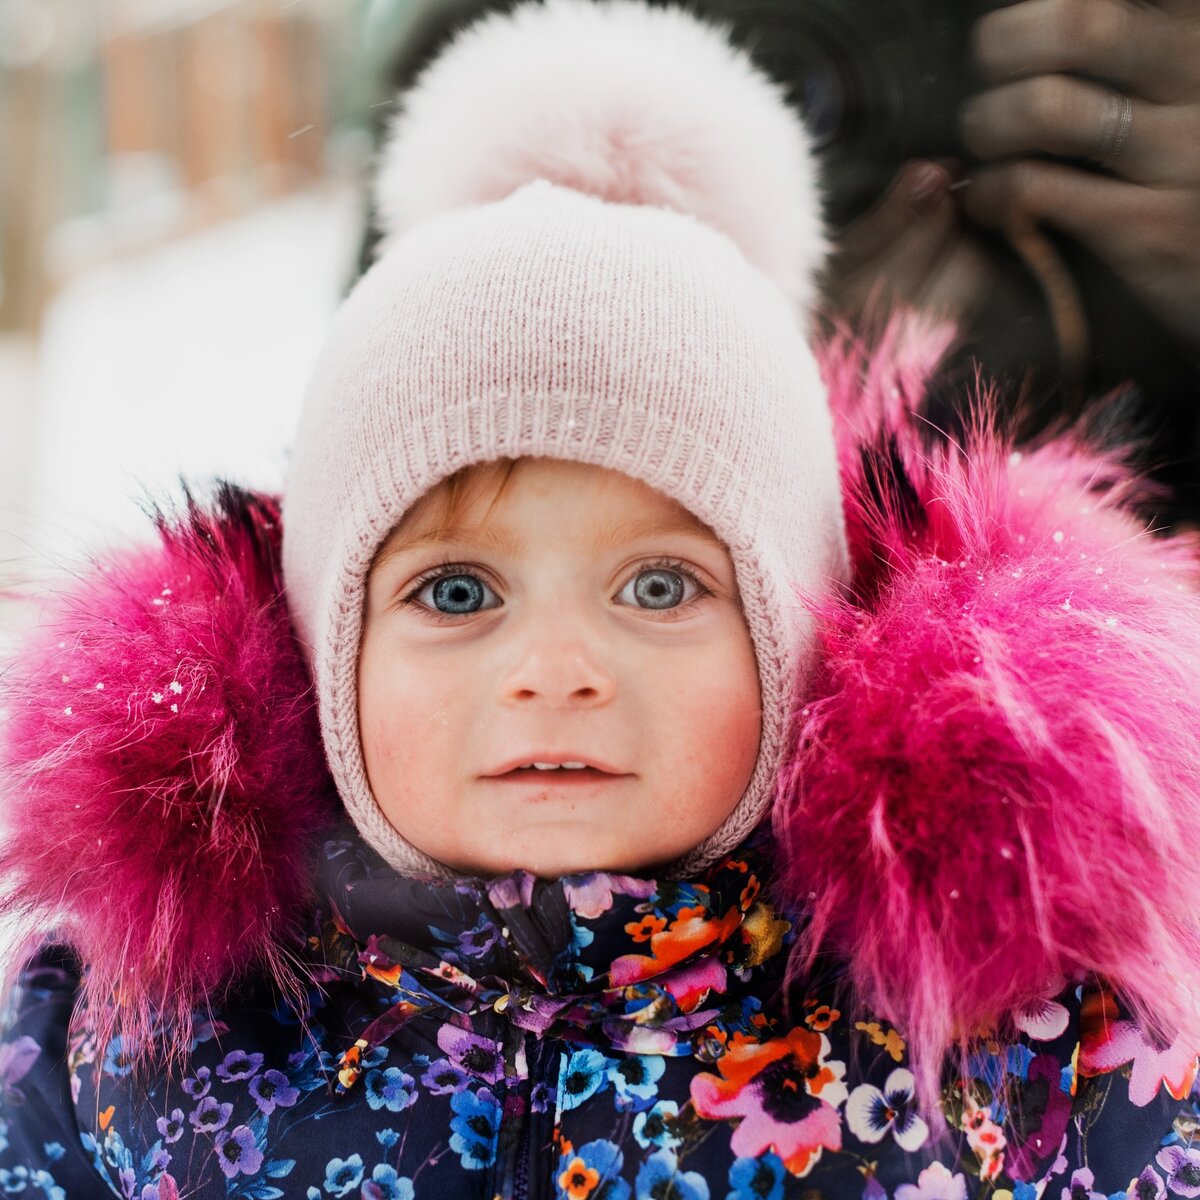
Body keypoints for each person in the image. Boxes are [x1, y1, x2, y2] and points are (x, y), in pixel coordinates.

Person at [1, 0, 1199, 1194]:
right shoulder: (141, 1043)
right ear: (320, 653)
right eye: (459, 591)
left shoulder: (1018, 1051)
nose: (558, 667)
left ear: (807, 647)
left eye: (663, 583)